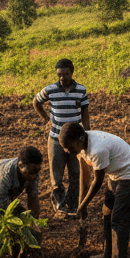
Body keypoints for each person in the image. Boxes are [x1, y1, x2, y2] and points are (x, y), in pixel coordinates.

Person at [59, 122, 130, 258]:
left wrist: (84, 204)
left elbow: (97, 182)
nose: (67, 151)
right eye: (65, 148)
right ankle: (107, 254)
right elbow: (84, 176)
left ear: (80, 139)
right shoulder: (81, 147)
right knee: (107, 212)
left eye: (68, 147)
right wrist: (81, 203)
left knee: (119, 220)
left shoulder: (98, 149)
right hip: (116, 173)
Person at [33, 58, 90, 216]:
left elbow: (85, 113)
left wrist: (87, 133)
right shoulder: (50, 90)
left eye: (66, 74)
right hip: (55, 139)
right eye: (59, 74)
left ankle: (73, 204)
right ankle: (59, 205)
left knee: (75, 174)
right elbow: (36, 102)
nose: (62, 78)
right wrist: (46, 119)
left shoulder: (81, 90)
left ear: (72, 73)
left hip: (75, 141)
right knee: (56, 176)